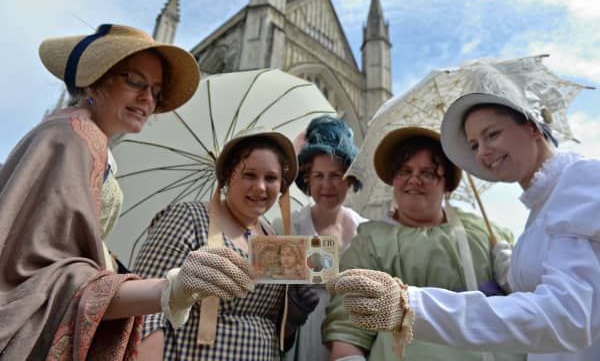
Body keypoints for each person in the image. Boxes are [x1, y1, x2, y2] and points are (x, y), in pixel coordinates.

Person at [0, 24, 260, 360]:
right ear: (96, 78)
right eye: (134, 81)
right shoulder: (73, 138)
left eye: (156, 91)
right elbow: (45, 281)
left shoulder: (88, 139)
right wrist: (171, 287)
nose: (147, 99)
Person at [328, 71, 600, 361]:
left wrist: (411, 306)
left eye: (492, 134)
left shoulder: (579, 183)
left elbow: (569, 315)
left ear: (533, 126)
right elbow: (347, 328)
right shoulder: (538, 211)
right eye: (473, 145)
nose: (483, 151)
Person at [324, 126, 524, 361]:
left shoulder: (487, 233)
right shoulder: (370, 242)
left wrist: (519, 277)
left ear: (446, 182)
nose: (414, 180)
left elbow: (536, 312)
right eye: (404, 171)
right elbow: (348, 329)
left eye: (427, 173)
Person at [133, 127, 320, 360]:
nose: (260, 187)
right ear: (228, 176)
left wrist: (291, 316)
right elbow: (145, 312)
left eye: (270, 178)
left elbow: (268, 324)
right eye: (249, 175)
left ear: (281, 185)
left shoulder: (273, 238)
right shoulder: (188, 217)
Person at [272, 115, 366, 361]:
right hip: (302, 338)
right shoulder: (286, 227)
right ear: (307, 179)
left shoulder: (365, 230)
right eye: (318, 176)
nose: (327, 185)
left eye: (336, 175)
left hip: (352, 339)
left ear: (350, 177)